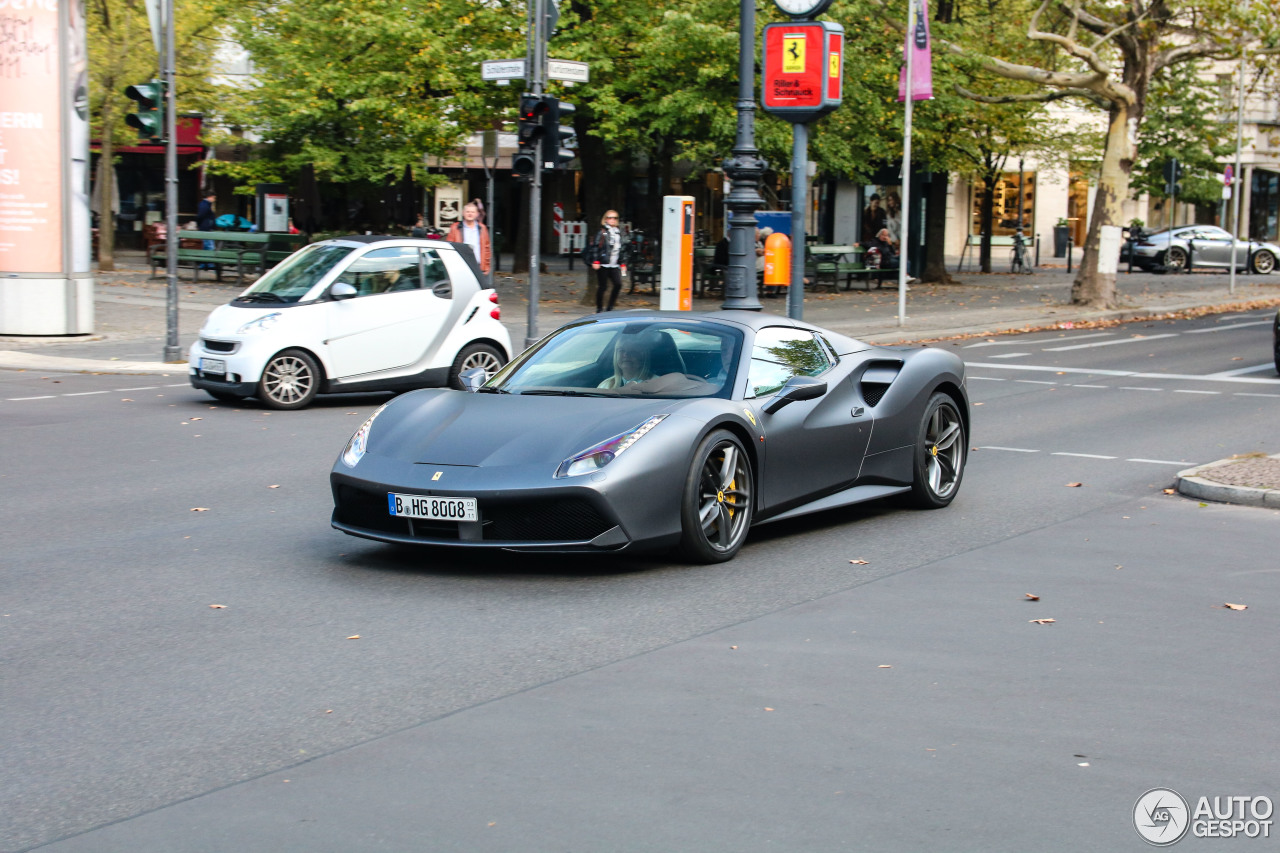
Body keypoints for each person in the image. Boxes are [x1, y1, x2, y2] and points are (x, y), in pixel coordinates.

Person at [588, 210, 628, 312]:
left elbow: (622, 249)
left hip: (614, 264)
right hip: (604, 263)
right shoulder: (602, 232)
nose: (612, 220)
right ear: (605, 219)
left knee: (618, 284)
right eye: (610, 218)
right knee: (603, 286)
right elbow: (596, 247)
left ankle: (610, 307)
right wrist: (595, 261)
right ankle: (599, 308)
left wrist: (623, 263)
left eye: (615, 218)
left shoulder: (619, 232)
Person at [444, 201, 491, 273]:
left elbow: (487, 248)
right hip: (461, 265)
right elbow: (449, 247)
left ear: (477, 214)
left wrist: (487, 266)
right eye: (468, 211)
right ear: (463, 213)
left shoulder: (482, 228)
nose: (470, 214)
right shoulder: (455, 227)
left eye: (472, 212)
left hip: (478, 266)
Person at [196, 190, 217, 268]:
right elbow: (200, 216)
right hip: (206, 228)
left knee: (206, 245)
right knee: (209, 246)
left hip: (205, 227)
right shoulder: (205, 205)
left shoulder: (205, 204)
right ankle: (208, 263)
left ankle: (205, 263)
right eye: (213, 198)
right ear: (210, 197)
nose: (214, 200)